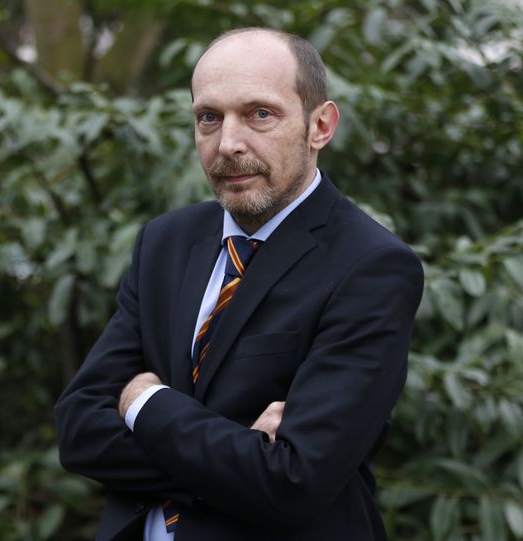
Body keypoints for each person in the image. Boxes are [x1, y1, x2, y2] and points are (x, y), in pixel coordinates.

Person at [54, 27, 424, 541]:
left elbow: (291, 484)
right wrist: (238, 455)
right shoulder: (165, 242)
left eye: (260, 114)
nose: (228, 143)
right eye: (209, 117)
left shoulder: (372, 267)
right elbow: (78, 430)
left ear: (320, 126)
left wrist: (144, 402)